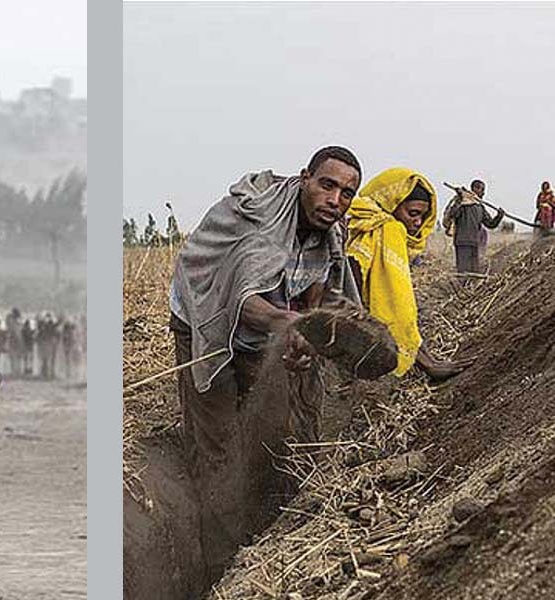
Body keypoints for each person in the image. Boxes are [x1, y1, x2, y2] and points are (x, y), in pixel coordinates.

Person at [168, 146, 363, 577]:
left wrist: (304, 332)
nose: (335, 199)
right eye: (327, 185)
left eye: (347, 193)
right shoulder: (263, 224)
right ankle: (219, 565)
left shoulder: (330, 230)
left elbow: (314, 286)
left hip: (265, 321)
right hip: (207, 314)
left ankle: (262, 523)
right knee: (216, 441)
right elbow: (244, 300)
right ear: (304, 179)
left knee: (274, 424)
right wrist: (288, 322)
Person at [346, 168, 474, 381]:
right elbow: (393, 311)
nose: (417, 222)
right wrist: (428, 364)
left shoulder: (369, 226)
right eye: (413, 213)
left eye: (422, 216)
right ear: (392, 204)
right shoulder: (388, 231)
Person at [442, 179, 504, 273]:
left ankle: (470, 287)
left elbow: (490, 224)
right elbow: (452, 215)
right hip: (462, 242)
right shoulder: (462, 204)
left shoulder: (480, 207)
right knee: (463, 271)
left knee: (474, 271)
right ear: (475, 188)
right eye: (482, 190)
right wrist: (459, 199)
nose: (483, 193)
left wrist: (499, 216)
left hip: (475, 243)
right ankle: (461, 287)